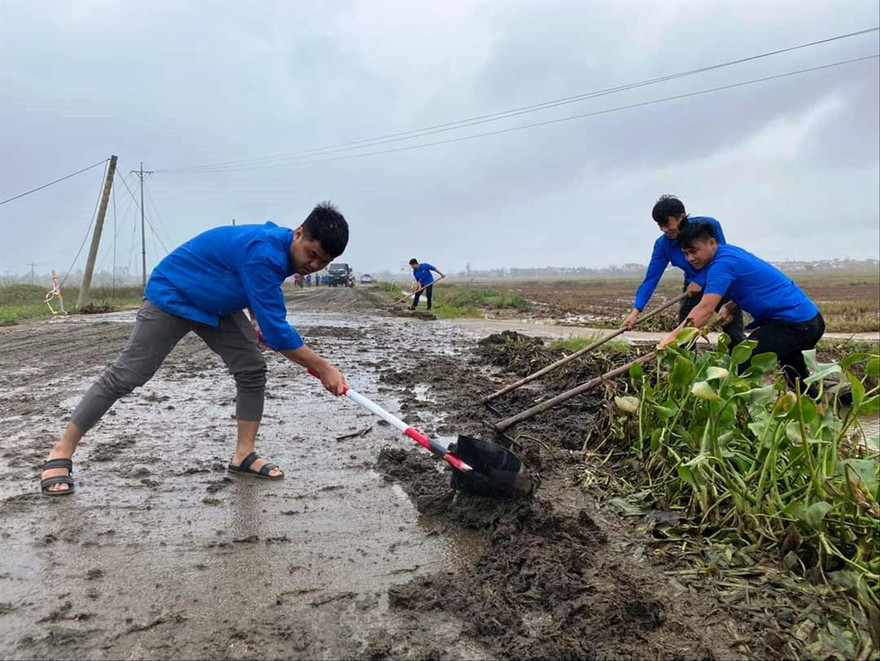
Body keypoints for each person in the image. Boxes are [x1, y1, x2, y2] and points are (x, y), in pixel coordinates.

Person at [39, 203, 350, 495]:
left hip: (217, 306)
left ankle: (244, 455)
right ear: (298, 233)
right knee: (128, 374)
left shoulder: (284, 251)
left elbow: (255, 289)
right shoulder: (265, 252)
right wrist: (325, 369)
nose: (314, 265)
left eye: (324, 262)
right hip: (174, 296)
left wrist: (257, 318)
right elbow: (278, 333)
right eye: (312, 254)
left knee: (252, 368)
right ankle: (61, 452)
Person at [659, 220, 825, 394]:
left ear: (712, 243)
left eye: (694, 251)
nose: (690, 258)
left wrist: (670, 339)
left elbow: (705, 309)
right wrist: (730, 306)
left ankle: (740, 415)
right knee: (796, 374)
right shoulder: (729, 253)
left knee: (742, 363)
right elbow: (756, 285)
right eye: (685, 253)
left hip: (794, 324)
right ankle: (818, 418)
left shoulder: (722, 265)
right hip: (811, 320)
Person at [621, 195, 745, 345]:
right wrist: (635, 312)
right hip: (692, 288)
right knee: (684, 335)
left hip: (720, 283)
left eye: (667, 224)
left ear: (681, 217)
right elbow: (651, 279)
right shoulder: (662, 245)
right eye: (660, 225)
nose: (664, 230)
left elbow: (721, 258)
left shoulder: (708, 226)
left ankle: (742, 367)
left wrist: (700, 280)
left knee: (734, 334)